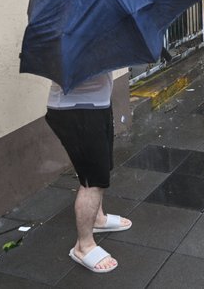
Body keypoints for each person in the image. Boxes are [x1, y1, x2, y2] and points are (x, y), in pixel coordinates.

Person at [45, 72, 131, 273]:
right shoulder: (69, 39)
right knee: (93, 181)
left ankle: (98, 219)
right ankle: (83, 246)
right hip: (77, 110)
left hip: (97, 105)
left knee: (101, 169)